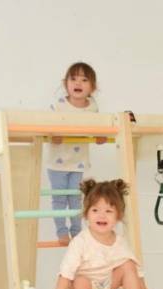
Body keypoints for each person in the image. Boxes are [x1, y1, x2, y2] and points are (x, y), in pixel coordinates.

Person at [45, 179, 155, 289]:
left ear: (118, 216)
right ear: (86, 214)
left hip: (106, 287)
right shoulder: (80, 242)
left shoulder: (120, 242)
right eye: (95, 210)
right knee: (80, 280)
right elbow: (65, 274)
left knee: (128, 264)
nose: (101, 215)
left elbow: (136, 270)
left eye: (109, 211)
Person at [47, 62, 107, 245]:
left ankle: (76, 231)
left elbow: (97, 126)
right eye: (73, 79)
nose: (78, 83)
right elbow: (46, 126)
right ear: (66, 83)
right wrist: (52, 135)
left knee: (75, 198)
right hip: (57, 163)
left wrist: (99, 135)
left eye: (84, 80)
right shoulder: (59, 105)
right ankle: (61, 232)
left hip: (78, 161)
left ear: (92, 87)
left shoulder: (92, 107)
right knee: (59, 199)